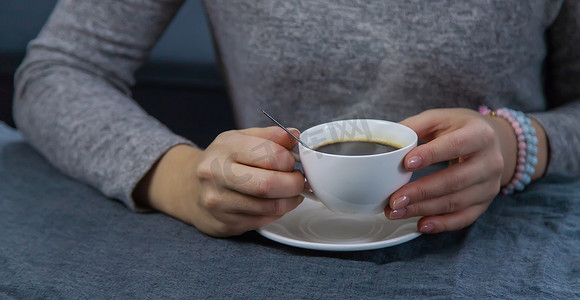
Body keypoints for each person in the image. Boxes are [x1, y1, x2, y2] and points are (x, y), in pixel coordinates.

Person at [13, 0, 579, 237]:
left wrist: (520, 143)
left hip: (510, 241)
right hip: (267, 248)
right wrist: (180, 178)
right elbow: (60, 70)